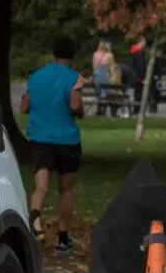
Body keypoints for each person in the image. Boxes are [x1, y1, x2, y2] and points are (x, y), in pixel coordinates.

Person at [21, 36, 85, 255]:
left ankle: (35, 219)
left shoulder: (36, 77)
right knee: (65, 190)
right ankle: (63, 239)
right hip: (67, 140)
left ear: (53, 54)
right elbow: (75, 104)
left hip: (40, 138)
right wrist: (80, 111)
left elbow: (24, 106)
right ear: (72, 56)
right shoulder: (73, 77)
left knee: (41, 186)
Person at [92, 40, 116, 116]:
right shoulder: (109, 55)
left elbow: (93, 66)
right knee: (105, 92)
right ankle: (105, 110)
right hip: (104, 73)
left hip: (96, 74)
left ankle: (100, 110)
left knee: (100, 93)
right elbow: (112, 66)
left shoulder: (95, 54)